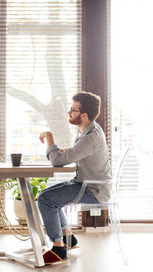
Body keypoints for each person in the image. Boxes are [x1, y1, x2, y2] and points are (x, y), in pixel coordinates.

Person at [38, 91, 111, 263]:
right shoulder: (91, 129)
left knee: (45, 199)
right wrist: (68, 152)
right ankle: (68, 238)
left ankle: (58, 249)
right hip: (87, 184)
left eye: (73, 110)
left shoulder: (90, 137)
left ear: (84, 115)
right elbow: (78, 153)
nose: (69, 113)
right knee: (48, 195)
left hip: (93, 190)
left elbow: (56, 161)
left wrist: (49, 136)